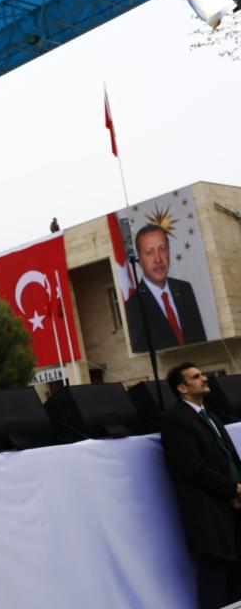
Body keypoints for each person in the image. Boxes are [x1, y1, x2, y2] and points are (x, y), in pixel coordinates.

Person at [160, 362, 241, 609]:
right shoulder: (176, 420)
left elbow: (229, 457)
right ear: (182, 388)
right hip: (208, 513)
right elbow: (192, 467)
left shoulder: (211, 416)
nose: (204, 378)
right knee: (215, 576)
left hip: (232, 508)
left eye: (203, 374)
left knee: (236, 579)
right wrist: (233, 489)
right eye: (196, 377)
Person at [124, 224, 206, 352]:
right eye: (149, 252)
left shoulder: (185, 289)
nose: (158, 259)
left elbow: (200, 341)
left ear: (169, 252)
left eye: (162, 249)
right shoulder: (133, 305)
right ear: (139, 261)